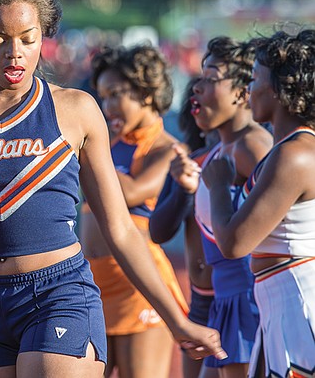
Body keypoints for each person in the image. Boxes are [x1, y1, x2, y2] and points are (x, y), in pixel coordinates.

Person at [0, 0, 225, 377]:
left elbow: (119, 228)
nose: (14, 53)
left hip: (56, 292)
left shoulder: (76, 109)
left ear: (42, 38)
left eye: (28, 39)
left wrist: (178, 320)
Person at [202, 28, 315, 378]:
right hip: (280, 299)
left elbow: (234, 243)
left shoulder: (295, 154)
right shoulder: (290, 149)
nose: (249, 90)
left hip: (296, 298)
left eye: (254, 79)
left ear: (284, 89)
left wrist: (219, 184)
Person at [79, 44, 189, 378]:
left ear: (146, 92)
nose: (107, 106)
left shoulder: (167, 149)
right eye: (102, 96)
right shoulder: (108, 144)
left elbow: (130, 192)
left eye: (115, 95)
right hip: (93, 284)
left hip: (138, 286)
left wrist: (84, 149)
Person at [169, 36, 273, 378]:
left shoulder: (253, 145)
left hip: (249, 301)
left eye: (211, 78)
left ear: (243, 92)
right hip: (223, 302)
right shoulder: (217, 154)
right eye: (199, 77)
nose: (197, 88)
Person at [150, 77, 218, 378]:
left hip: (244, 296)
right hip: (202, 299)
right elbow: (160, 231)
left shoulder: (255, 156)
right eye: (194, 101)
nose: (198, 106)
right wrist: (184, 190)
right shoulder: (188, 161)